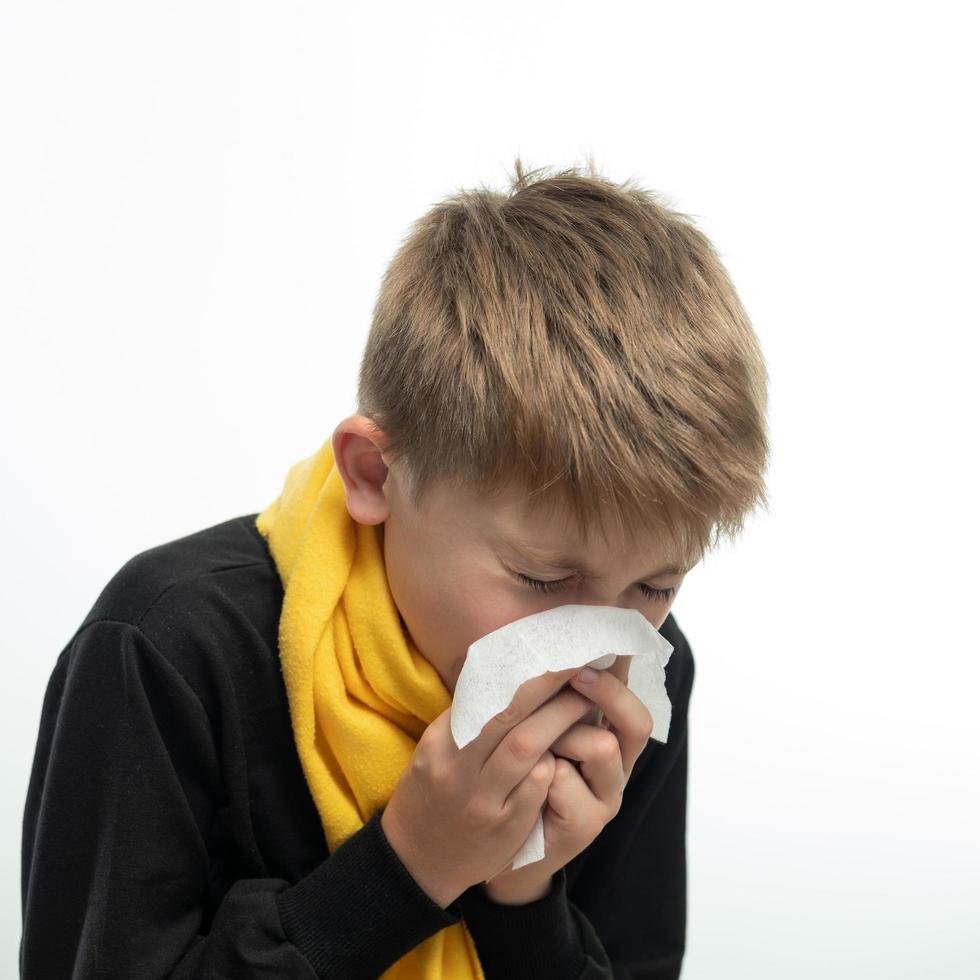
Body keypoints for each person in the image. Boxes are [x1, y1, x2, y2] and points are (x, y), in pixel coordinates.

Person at [20, 158, 770, 979]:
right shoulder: (168, 647)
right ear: (375, 475)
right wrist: (409, 865)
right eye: (543, 580)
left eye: (657, 586)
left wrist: (521, 895)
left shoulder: (642, 676)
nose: (593, 644)